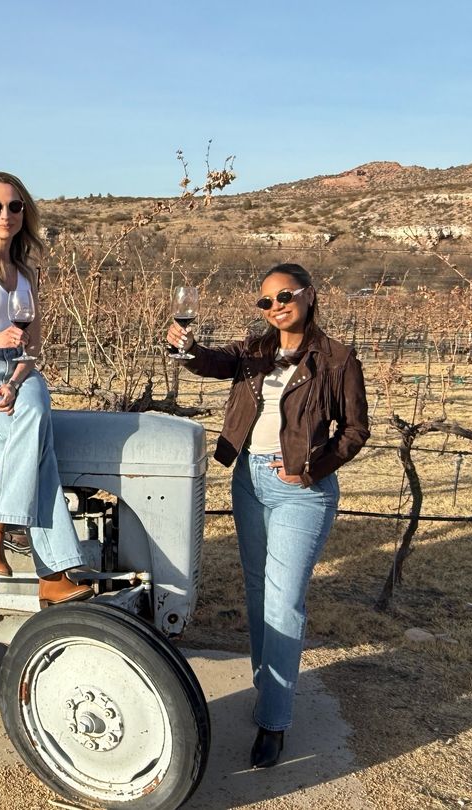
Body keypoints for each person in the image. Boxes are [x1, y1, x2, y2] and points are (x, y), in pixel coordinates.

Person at [167, 263, 369, 769]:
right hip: (248, 481)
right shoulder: (254, 351)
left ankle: (275, 721)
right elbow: (213, 363)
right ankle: (266, 690)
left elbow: (355, 430)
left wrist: (312, 467)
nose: (275, 306)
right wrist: (186, 350)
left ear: (309, 295)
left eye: (284, 296)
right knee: (258, 592)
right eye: (265, 301)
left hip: (302, 491)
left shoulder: (338, 359)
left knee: (283, 604)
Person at [0, 171, 91, 607]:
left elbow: (34, 347)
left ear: (25, 213)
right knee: (38, 456)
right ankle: (53, 574)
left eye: (15, 206)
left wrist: (15, 380)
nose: (6, 214)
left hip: (20, 373)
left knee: (36, 416)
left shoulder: (27, 272)